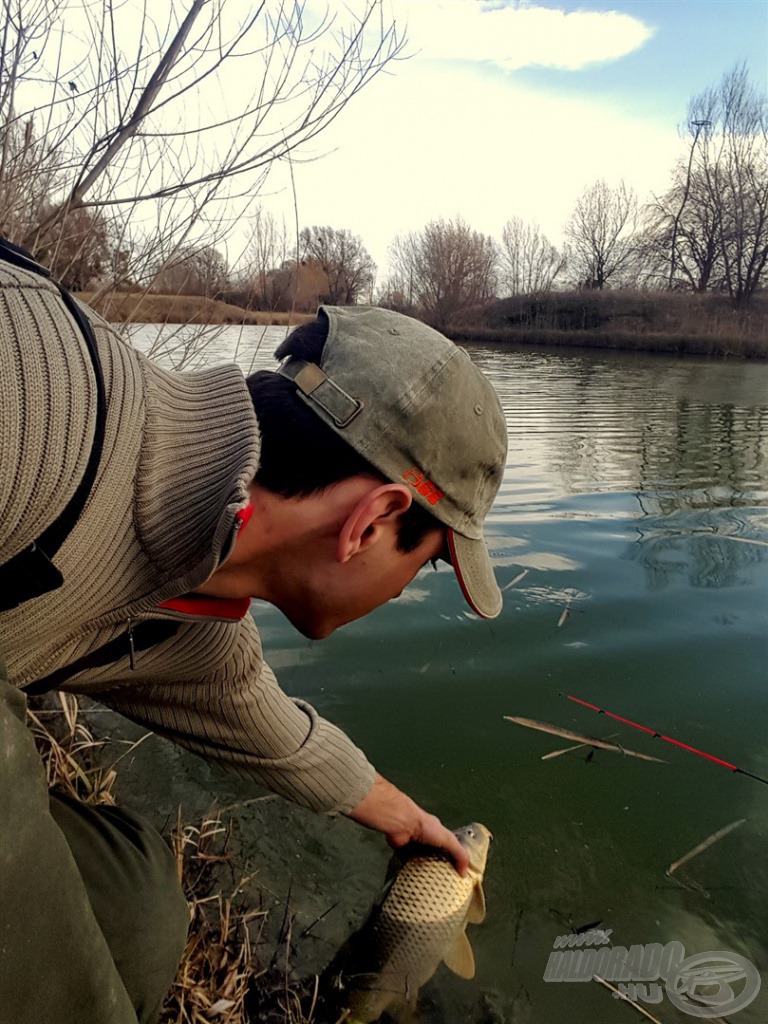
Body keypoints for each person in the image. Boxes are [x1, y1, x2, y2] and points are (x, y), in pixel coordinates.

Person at [0, 245, 507, 1023]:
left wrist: (413, 826)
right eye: (429, 566)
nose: (406, 593)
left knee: (139, 911)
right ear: (375, 520)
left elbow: (283, 738)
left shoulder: (199, 626)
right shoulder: (38, 391)